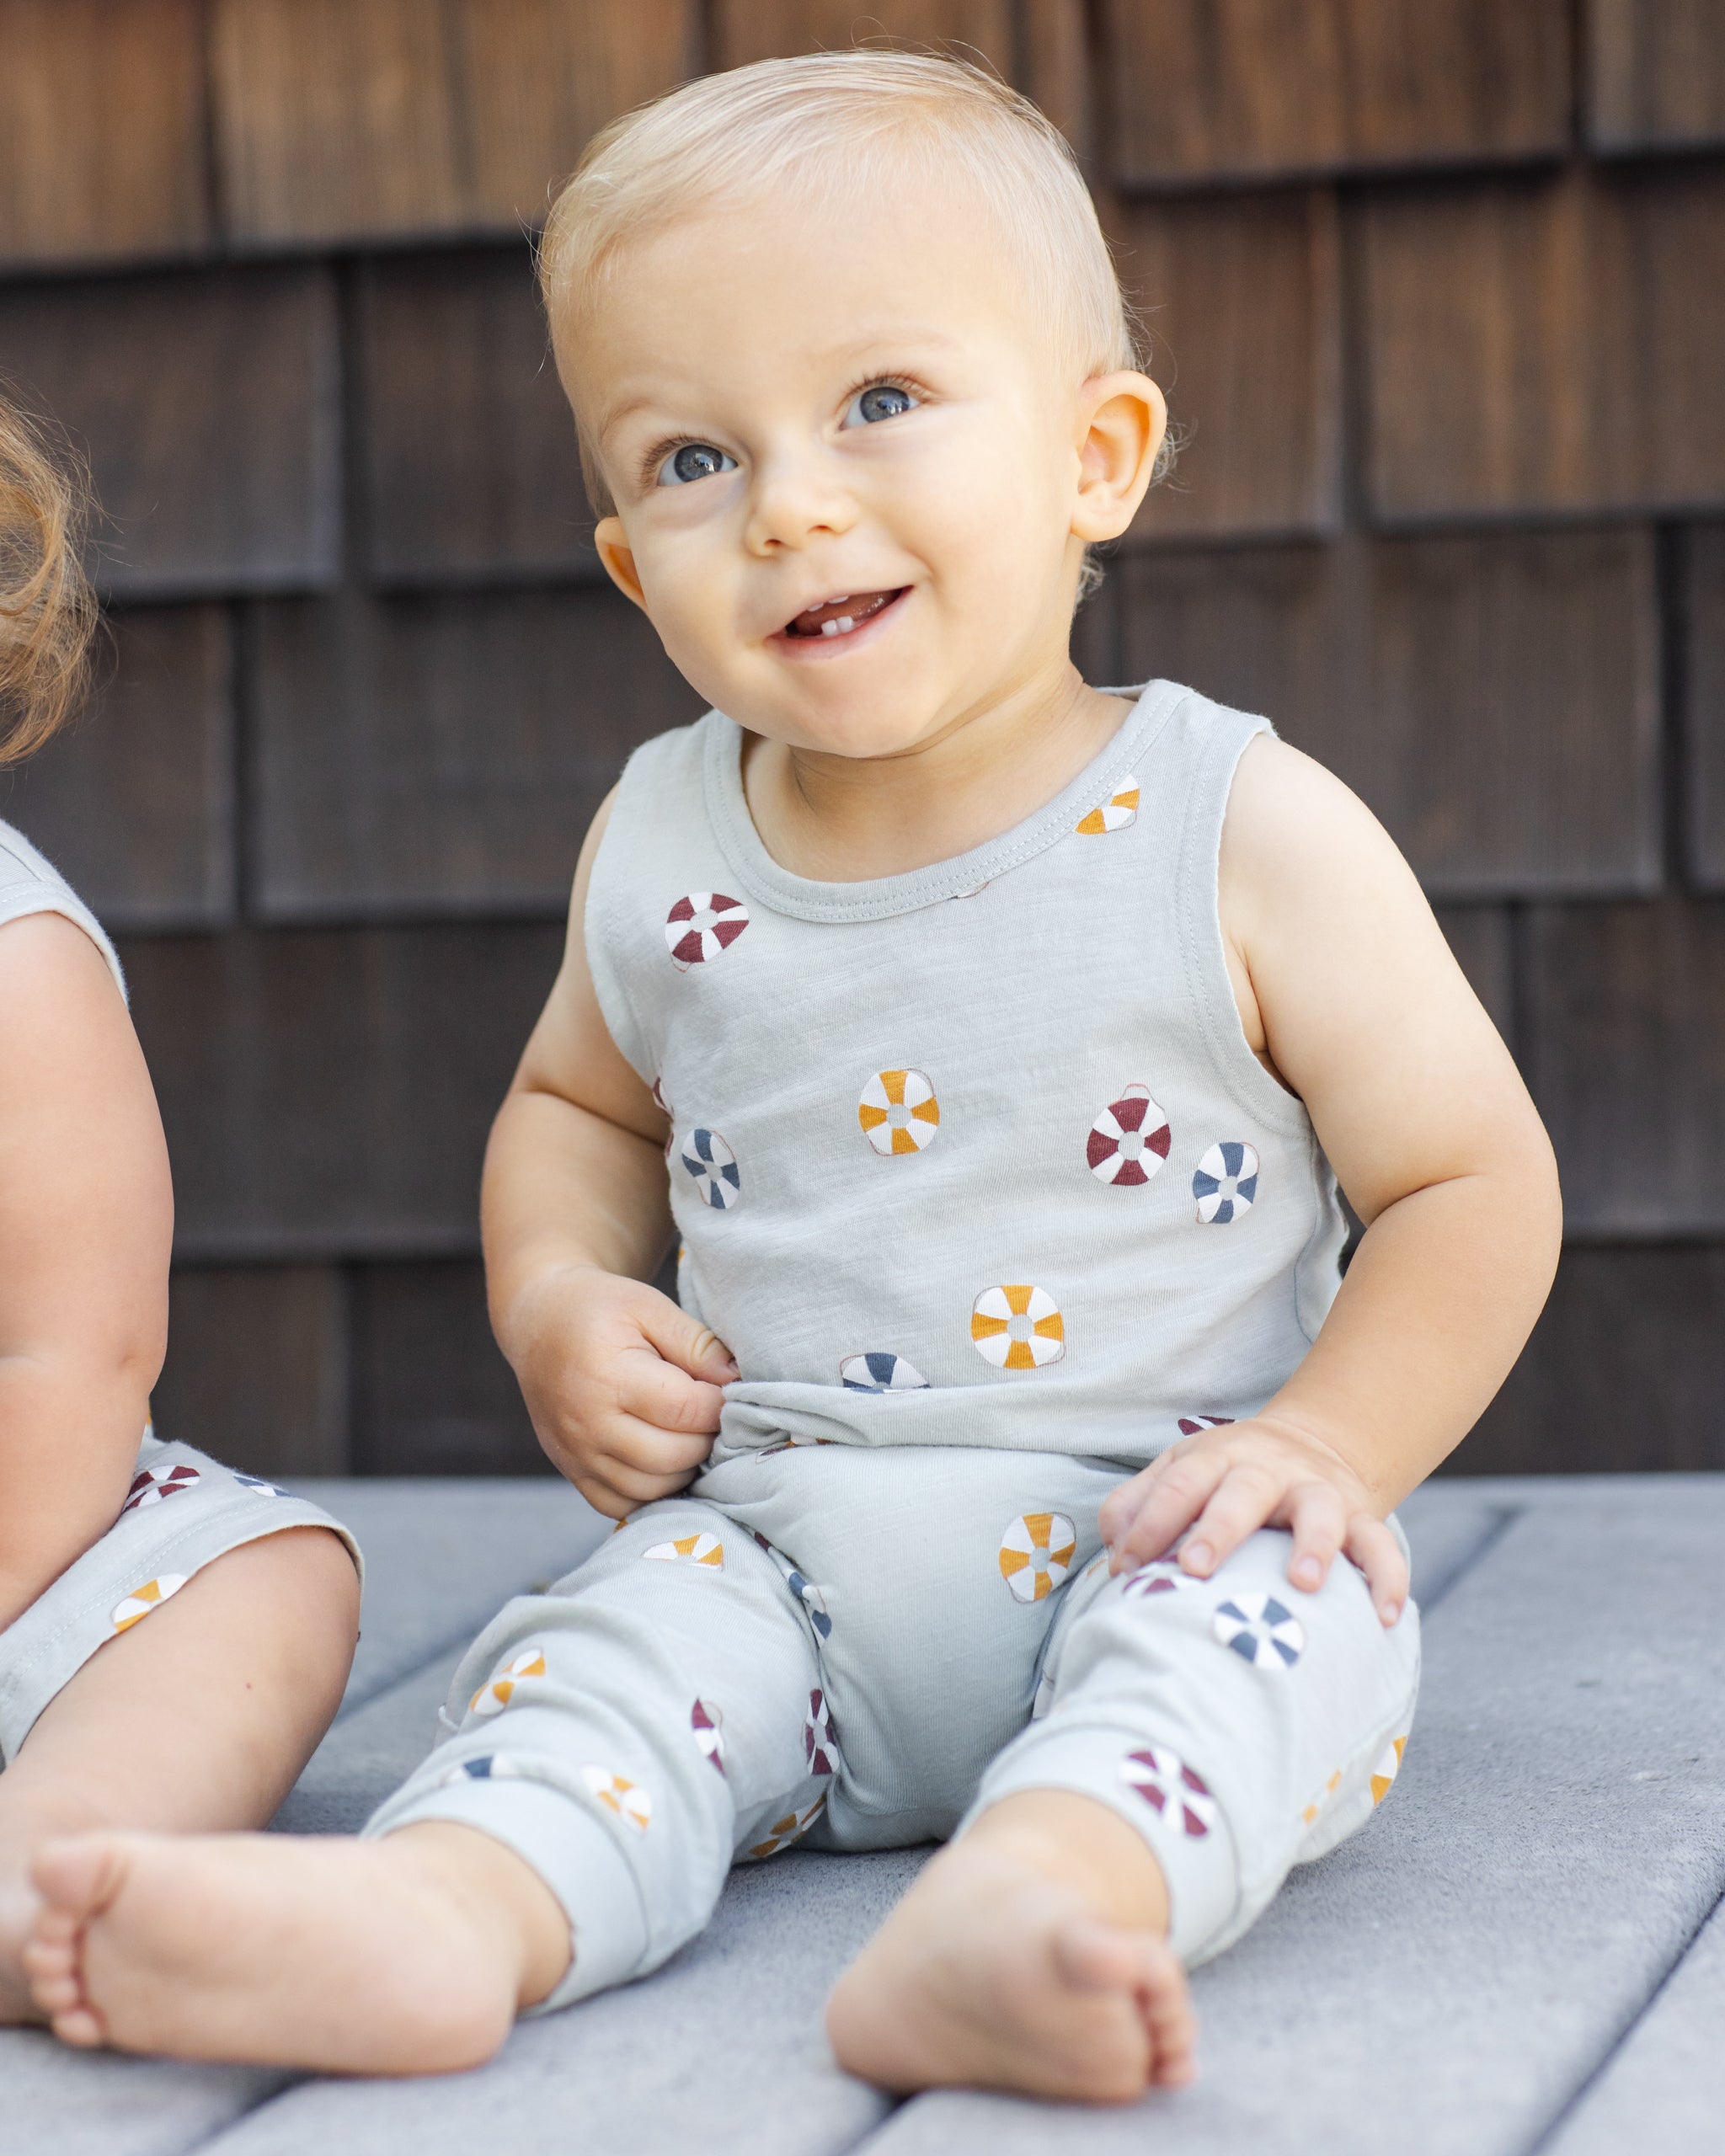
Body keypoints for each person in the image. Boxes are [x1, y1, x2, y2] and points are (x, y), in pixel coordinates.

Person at [21, 53, 1560, 2101]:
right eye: (691, 457)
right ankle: (446, 1913)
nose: (789, 504)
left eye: (881, 401)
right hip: (777, 1549)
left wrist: (1326, 1450)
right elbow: (575, 1115)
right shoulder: (663, 835)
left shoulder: (1233, 821)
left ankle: (1039, 1901)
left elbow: (1469, 1181)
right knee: (598, 1672)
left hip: (1157, 1518)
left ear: (1096, 455)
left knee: (1256, 1646)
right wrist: (556, 1296)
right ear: (627, 563)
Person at [0, 395, 360, 2025]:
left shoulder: (17, 962)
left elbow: (69, 1363)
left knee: (267, 1576)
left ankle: (50, 1861)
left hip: (25, 1541)